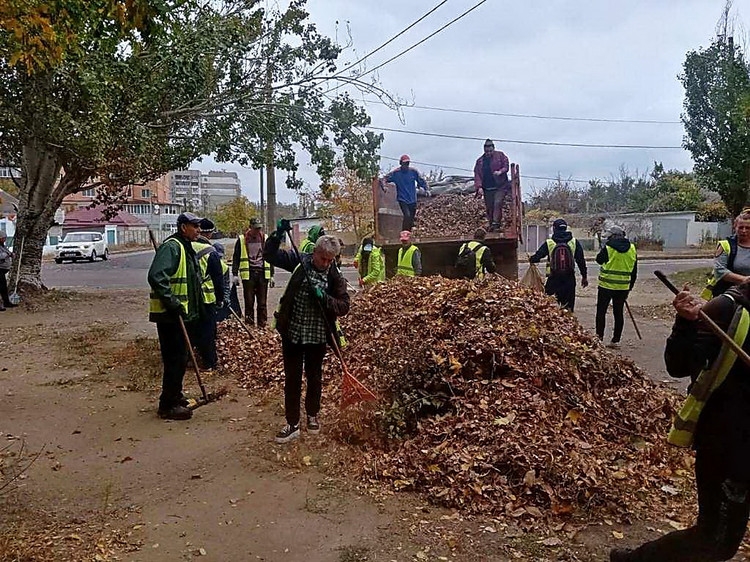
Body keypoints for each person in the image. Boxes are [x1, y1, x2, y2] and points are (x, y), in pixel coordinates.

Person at [610, 281, 750, 562]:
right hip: (730, 447)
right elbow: (677, 365)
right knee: (716, 542)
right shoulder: (728, 309)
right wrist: (685, 323)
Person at [264, 221, 350, 443]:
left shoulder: (334, 275)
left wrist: (325, 298)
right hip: (293, 333)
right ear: (315, 253)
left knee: (314, 377)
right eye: (323, 259)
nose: (326, 263)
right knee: (292, 378)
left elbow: (344, 306)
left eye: (330, 260)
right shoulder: (299, 264)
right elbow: (270, 255)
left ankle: (312, 415)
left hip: (318, 336)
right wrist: (277, 235)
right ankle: (292, 423)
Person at [147, 212, 205, 420]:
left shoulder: (185, 247)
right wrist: (173, 303)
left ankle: (175, 394)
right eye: (195, 226)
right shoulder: (172, 247)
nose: (199, 230)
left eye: (199, 226)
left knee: (181, 358)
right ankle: (167, 405)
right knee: (174, 359)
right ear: (183, 227)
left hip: (181, 314)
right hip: (170, 316)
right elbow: (156, 276)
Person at [189, 218, 227, 369]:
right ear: (209, 234)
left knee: (190, 329)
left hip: (188, 298)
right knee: (208, 331)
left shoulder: (186, 247)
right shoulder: (210, 252)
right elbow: (218, 277)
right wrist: (220, 299)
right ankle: (209, 362)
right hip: (206, 298)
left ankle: (189, 358)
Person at [529, 218, 588, 311]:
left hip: (553, 279)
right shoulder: (574, 242)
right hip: (569, 279)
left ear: (554, 229)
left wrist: (531, 259)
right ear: (565, 229)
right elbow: (581, 261)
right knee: (568, 308)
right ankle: (568, 323)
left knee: (550, 307)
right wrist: (584, 277)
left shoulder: (549, 242)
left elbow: (537, 257)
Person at [595, 226, 638, 349]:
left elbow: (599, 260)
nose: (607, 238)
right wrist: (630, 287)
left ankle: (599, 338)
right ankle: (616, 340)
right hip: (623, 287)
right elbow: (634, 271)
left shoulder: (608, 248)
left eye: (609, 236)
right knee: (618, 313)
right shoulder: (632, 249)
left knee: (601, 312)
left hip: (606, 286)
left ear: (613, 236)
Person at [232, 217, 274, 327]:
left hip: (262, 274)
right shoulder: (242, 240)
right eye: (255, 228)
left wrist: (272, 275)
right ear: (250, 227)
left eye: (259, 228)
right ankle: (249, 325)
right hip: (249, 275)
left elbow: (270, 257)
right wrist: (235, 274)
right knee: (249, 302)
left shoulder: (264, 238)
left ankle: (262, 325)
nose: (257, 231)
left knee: (262, 303)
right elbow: (236, 257)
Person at [702, 210, 750, 300]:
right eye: (741, 227)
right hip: (728, 295)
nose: (744, 231)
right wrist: (744, 280)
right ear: (734, 227)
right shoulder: (725, 245)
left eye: (748, 228)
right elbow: (719, 271)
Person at [381, 155, 431, 232]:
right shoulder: (396, 173)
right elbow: (384, 178)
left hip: (412, 199)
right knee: (407, 215)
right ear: (401, 163)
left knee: (411, 218)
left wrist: (426, 189)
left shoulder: (413, 172)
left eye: (407, 163)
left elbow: (421, 181)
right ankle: (403, 232)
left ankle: (408, 234)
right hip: (402, 199)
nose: (406, 165)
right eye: (405, 163)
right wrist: (384, 186)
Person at [473, 139, 510, 232]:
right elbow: (477, 175)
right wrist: (479, 187)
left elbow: (506, 166)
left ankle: (496, 224)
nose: (488, 153)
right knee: (489, 207)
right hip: (487, 188)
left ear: (493, 149)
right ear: (484, 150)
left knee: (497, 202)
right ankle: (491, 224)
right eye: (487, 151)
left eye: (490, 151)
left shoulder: (500, 155)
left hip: (500, 186)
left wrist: (500, 171)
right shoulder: (480, 161)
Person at [212, 242, 232, 322]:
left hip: (219, 297)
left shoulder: (225, 267)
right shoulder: (207, 264)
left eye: (220, 257)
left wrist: (226, 298)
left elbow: (226, 285)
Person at [0, 231, 16, 311]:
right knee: (1, 286)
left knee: (3, 287)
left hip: (3, 269)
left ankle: (6, 302)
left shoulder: (3, 246)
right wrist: (8, 255)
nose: (4, 240)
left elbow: (6, 253)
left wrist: (11, 254)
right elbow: (1, 256)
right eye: (3, 238)